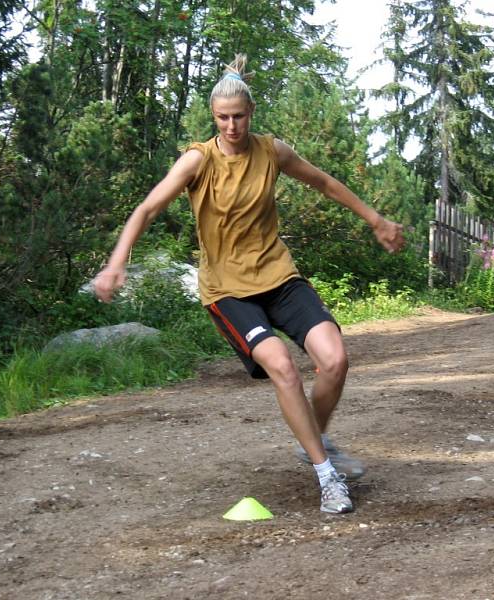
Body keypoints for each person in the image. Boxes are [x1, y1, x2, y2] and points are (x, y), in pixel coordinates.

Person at [93, 55, 405, 514]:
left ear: (251, 113)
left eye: (238, 116)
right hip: (228, 290)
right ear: (213, 117)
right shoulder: (198, 160)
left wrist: (375, 219)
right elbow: (146, 209)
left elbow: (322, 181)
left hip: (278, 276)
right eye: (222, 117)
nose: (231, 126)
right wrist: (117, 263)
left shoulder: (271, 151)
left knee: (334, 359)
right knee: (281, 365)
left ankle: (312, 440)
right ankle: (326, 475)